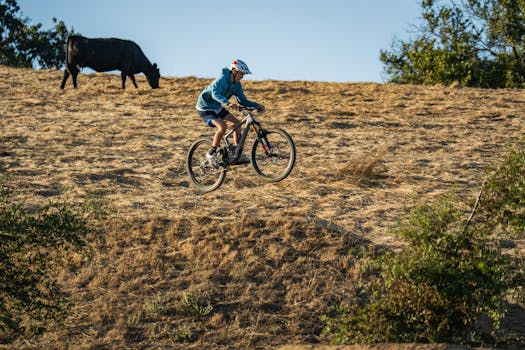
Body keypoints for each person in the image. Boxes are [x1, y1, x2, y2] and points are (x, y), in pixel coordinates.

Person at [196, 59, 265, 168]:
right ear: (234, 71)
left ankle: (236, 154)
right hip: (205, 107)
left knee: (237, 125)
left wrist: (256, 105)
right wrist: (228, 103)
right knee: (222, 127)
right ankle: (211, 154)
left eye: (244, 74)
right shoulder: (222, 79)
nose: (242, 76)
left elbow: (242, 100)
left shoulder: (237, 85)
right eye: (241, 74)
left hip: (217, 107)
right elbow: (215, 94)